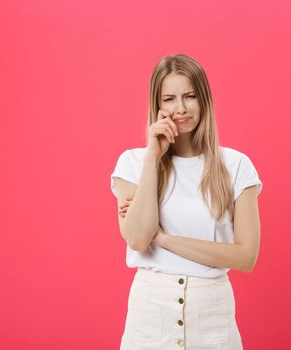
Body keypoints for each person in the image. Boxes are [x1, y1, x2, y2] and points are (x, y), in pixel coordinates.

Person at [110, 53, 263, 349]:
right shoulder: (133, 163)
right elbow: (139, 239)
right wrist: (153, 156)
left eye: (190, 96)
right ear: (157, 104)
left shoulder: (236, 166)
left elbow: (245, 257)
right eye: (169, 99)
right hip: (150, 315)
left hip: (212, 314)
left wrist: (165, 240)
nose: (180, 108)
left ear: (203, 99)